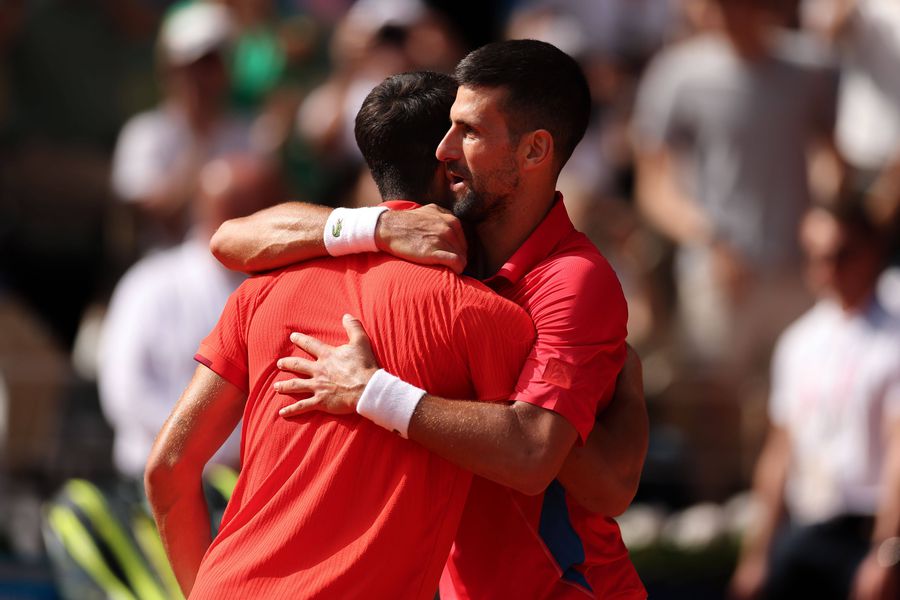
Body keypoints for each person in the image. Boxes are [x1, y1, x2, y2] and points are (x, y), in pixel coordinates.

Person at [212, 40, 647, 598]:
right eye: (449, 128)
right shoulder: (433, 244)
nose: (443, 150)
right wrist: (375, 227)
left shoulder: (573, 282)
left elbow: (535, 453)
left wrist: (373, 391)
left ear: (536, 150)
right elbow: (230, 238)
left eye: (469, 131)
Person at [144, 71, 537, 599]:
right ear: (451, 167)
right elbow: (539, 460)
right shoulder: (490, 320)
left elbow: (168, 471)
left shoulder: (261, 295)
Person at [730, 201, 900, 600]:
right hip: (809, 529)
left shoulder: (893, 336)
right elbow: (780, 452)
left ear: (871, 252)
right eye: (817, 258)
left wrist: (886, 551)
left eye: (841, 256)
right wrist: (755, 556)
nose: (828, 270)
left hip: (868, 530)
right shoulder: (799, 343)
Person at [98, 155, 282, 482]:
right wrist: (212, 449)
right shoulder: (151, 283)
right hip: (153, 483)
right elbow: (125, 389)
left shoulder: (286, 288)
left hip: (253, 481)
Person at [110, 1, 258, 244]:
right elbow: (165, 218)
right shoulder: (142, 134)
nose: (199, 77)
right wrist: (199, 139)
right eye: (189, 65)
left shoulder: (249, 135)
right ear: (168, 69)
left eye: (209, 63)